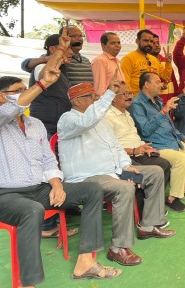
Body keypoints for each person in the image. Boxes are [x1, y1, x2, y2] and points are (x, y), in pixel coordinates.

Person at [0, 43, 120, 285]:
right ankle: (27, 282)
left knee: (92, 190)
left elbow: (47, 159)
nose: (26, 93)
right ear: (2, 97)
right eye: (17, 91)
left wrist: (56, 184)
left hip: (39, 190)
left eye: (26, 89)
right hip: (8, 195)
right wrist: (42, 84)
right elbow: (15, 107)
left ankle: (86, 262)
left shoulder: (35, 124)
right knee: (31, 211)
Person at [58, 80, 175, 267]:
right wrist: (110, 93)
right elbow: (87, 121)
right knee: (123, 189)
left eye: (96, 96)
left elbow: (116, 146)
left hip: (112, 172)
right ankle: (118, 248)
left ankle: (148, 226)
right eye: (91, 97)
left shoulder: (99, 121)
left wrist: (125, 165)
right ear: (77, 101)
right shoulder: (68, 119)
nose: (96, 100)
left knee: (155, 172)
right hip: (87, 177)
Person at [129, 72, 185, 212]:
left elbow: (170, 126)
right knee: (182, 159)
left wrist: (183, 137)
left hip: (173, 141)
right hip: (157, 145)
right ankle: (173, 197)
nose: (161, 85)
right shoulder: (137, 104)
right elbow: (145, 130)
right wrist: (163, 111)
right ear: (146, 84)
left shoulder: (157, 100)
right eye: (158, 82)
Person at [105, 82, 171, 186]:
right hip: (125, 157)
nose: (129, 97)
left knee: (165, 164)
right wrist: (134, 151)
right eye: (125, 94)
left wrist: (145, 147)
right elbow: (109, 148)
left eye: (130, 93)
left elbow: (134, 137)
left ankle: (156, 200)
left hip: (139, 152)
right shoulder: (108, 117)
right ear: (113, 98)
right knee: (153, 170)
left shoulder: (127, 114)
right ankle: (144, 200)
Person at [28, 34, 73, 138]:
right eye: (67, 48)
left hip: (57, 127)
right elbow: (44, 76)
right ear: (53, 49)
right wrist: (60, 51)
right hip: (45, 129)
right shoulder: (41, 67)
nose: (71, 52)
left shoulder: (61, 71)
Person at [121, 29, 173, 95]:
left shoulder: (154, 59)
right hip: (136, 101)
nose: (149, 43)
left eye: (151, 41)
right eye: (146, 41)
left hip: (153, 100)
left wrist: (168, 63)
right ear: (137, 41)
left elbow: (166, 77)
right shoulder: (128, 59)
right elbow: (125, 83)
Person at [150, 33, 179, 103]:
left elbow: (173, 79)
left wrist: (176, 96)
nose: (157, 45)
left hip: (171, 100)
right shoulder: (147, 61)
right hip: (157, 102)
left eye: (158, 42)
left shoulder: (165, 60)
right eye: (153, 43)